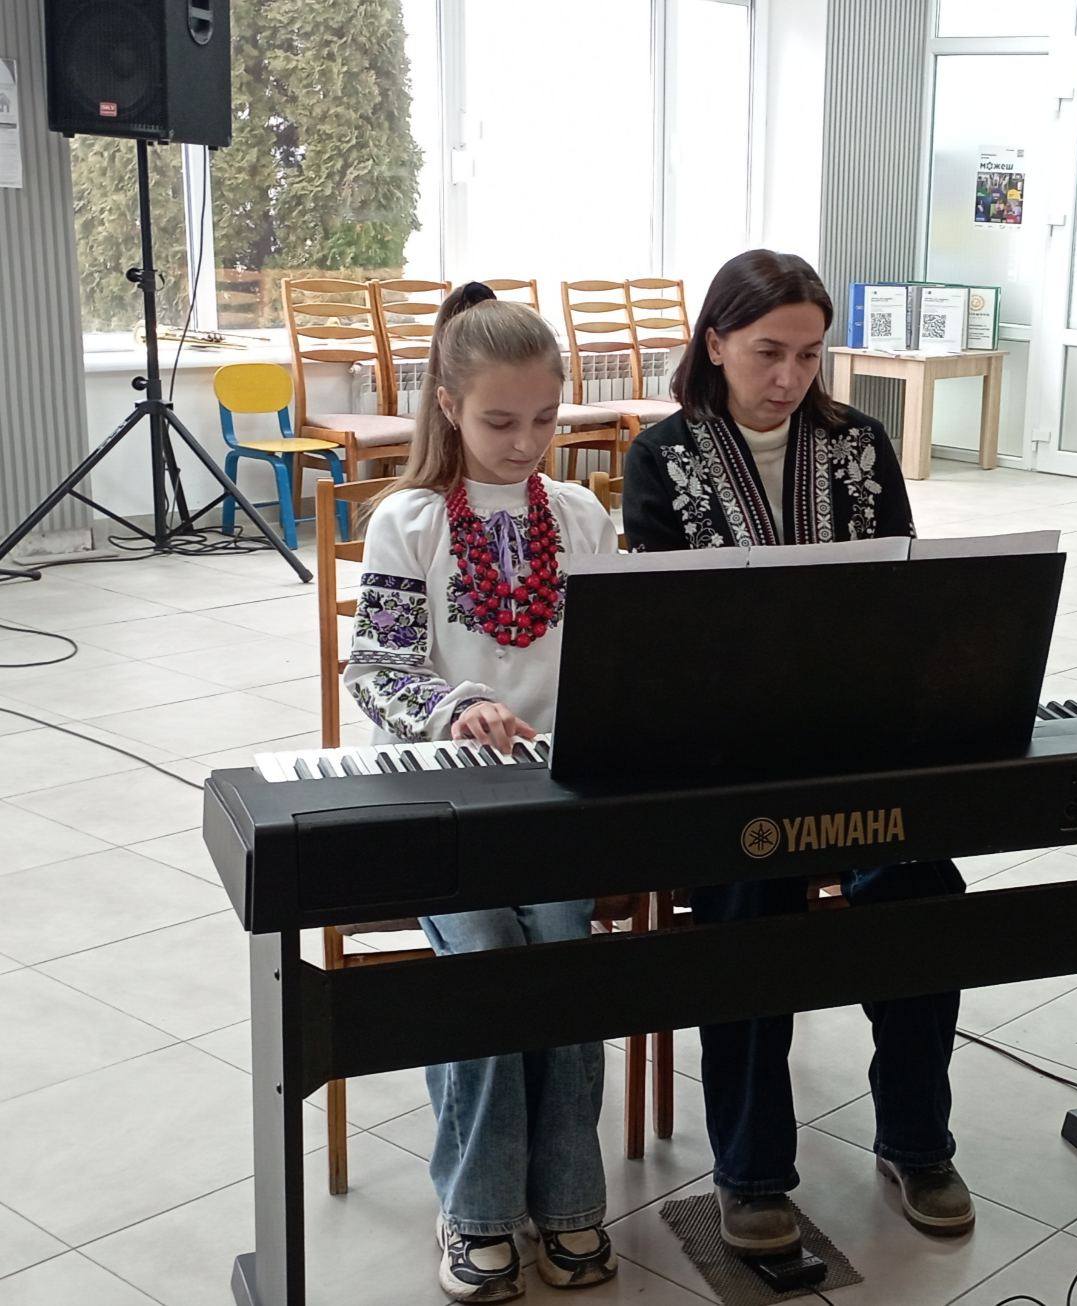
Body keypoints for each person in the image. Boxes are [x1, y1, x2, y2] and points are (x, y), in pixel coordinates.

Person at [622, 249, 975, 1253]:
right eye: (767, 352)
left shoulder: (858, 443)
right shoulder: (663, 456)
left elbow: (904, 596)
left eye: (809, 355)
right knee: (746, 904)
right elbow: (658, 636)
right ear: (715, 343)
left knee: (921, 887)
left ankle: (917, 1141)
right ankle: (750, 1171)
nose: (788, 376)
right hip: (724, 757)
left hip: (854, 741)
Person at [346, 282, 618, 1300]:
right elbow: (377, 669)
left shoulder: (580, 515)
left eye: (545, 418)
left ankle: (568, 1195)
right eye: (501, 421)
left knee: (561, 948)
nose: (526, 442)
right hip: (439, 797)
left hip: (553, 794)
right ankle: (477, 1208)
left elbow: (617, 655)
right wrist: (458, 703)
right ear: (449, 405)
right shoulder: (409, 520)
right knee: (489, 956)